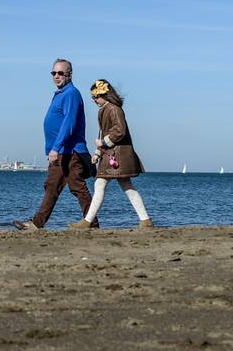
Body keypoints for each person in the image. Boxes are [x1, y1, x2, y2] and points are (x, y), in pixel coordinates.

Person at [13, 59, 94, 231]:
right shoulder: (61, 94)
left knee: (76, 187)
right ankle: (37, 223)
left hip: (69, 151)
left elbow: (69, 122)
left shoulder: (71, 93)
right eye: (54, 73)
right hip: (61, 151)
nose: (57, 76)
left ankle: (91, 223)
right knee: (53, 186)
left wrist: (56, 148)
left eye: (61, 73)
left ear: (69, 74)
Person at [69, 78, 153, 229]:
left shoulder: (113, 109)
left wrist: (102, 145)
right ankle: (145, 220)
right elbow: (106, 133)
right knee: (124, 186)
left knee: (101, 184)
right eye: (93, 97)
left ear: (105, 95)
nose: (94, 100)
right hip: (114, 154)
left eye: (96, 96)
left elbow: (119, 131)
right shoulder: (107, 109)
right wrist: (98, 153)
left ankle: (87, 221)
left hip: (116, 155)